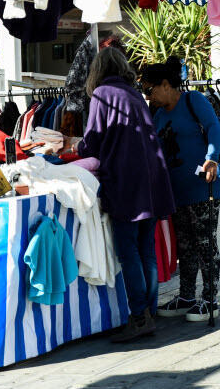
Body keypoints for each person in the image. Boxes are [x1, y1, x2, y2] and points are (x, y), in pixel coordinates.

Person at [68, 47, 176, 343]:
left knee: (129, 251)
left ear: (97, 70)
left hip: (127, 180)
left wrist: (73, 147)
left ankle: (139, 316)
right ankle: (148, 313)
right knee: (146, 251)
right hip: (151, 178)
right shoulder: (132, 93)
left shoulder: (102, 95)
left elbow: (93, 142)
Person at [143, 58, 220, 323]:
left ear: (166, 85)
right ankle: (187, 296)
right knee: (185, 245)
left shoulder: (194, 101)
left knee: (204, 242)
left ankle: (210, 299)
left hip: (203, 184)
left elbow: (213, 127)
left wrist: (211, 157)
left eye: (150, 90)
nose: (149, 96)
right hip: (176, 190)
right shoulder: (158, 114)